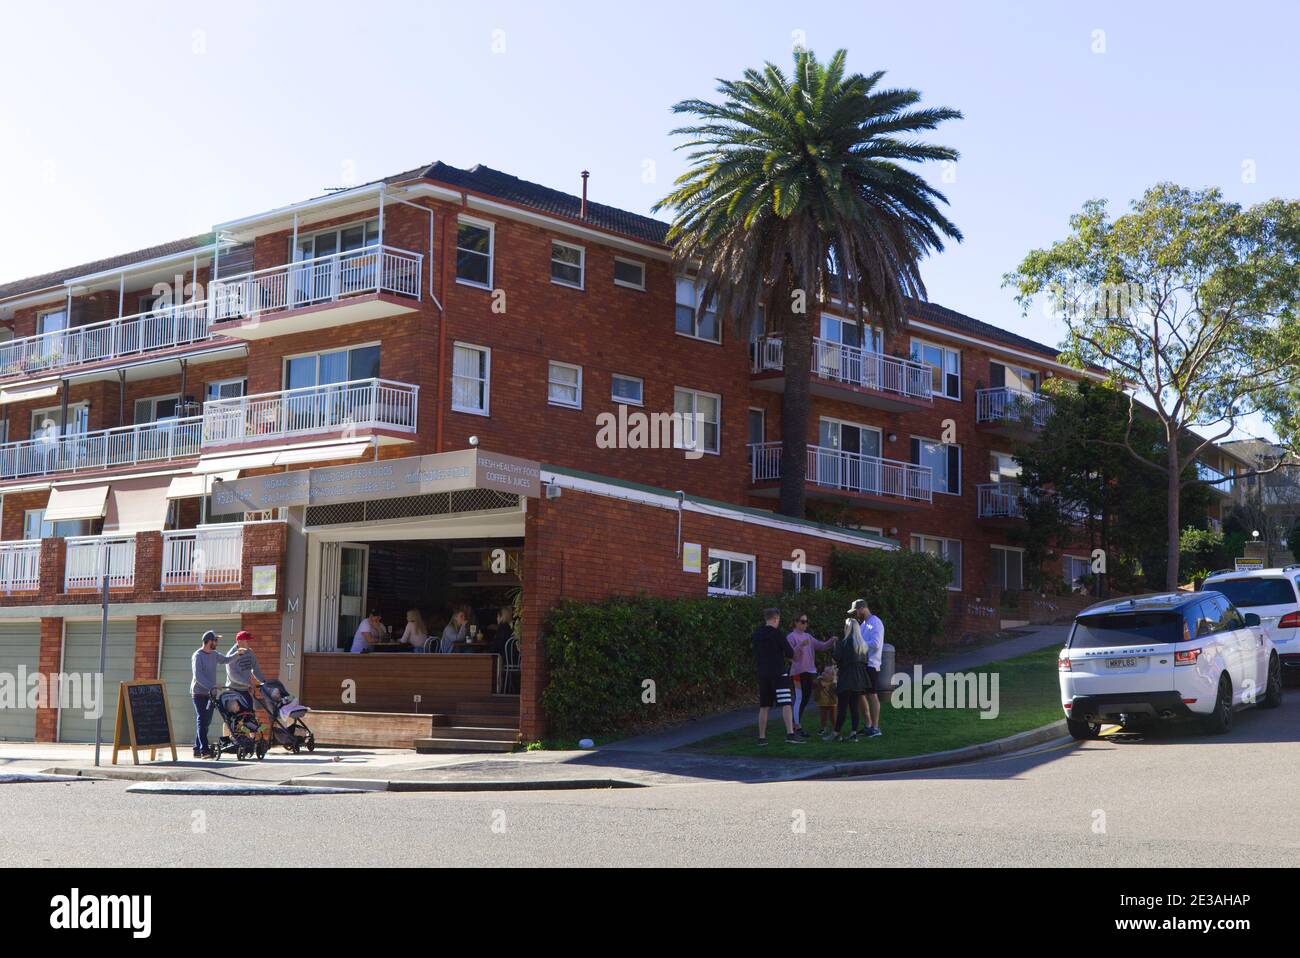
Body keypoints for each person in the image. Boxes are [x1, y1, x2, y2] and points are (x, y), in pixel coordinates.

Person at [750, 607, 802, 746]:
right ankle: (790, 734)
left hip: (763, 673)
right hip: (779, 673)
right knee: (786, 703)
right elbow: (790, 653)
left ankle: (761, 737)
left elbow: (754, 653)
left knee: (764, 706)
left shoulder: (757, 634)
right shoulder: (778, 634)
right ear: (775, 618)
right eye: (778, 619)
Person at [190, 630, 245, 759]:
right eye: (215, 640)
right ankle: (204, 750)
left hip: (211, 694)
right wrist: (212, 686)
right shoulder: (197, 655)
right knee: (202, 720)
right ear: (209, 641)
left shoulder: (214, 654)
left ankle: (197, 749)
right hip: (198, 693)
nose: (217, 643)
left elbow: (226, 660)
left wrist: (237, 654)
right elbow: (198, 676)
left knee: (206, 722)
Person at [787, 613, 833, 737]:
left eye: (806, 621)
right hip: (797, 672)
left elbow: (822, 646)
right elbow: (791, 655)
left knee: (806, 698)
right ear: (795, 622)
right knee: (799, 698)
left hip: (810, 671)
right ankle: (796, 726)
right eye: (802, 621)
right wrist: (800, 645)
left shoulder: (808, 636)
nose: (805, 624)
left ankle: (795, 723)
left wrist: (831, 640)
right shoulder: (791, 637)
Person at [831, 600, 871, 741]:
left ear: (847, 628)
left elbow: (836, 658)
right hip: (859, 679)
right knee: (854, 707)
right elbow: (865, 661)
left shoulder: (844, 643)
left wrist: (835, 646)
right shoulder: (863, 645)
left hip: (846, 677)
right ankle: (854, 733)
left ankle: (836, 733)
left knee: (842, 707)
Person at [857, 601, 885, 738]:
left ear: (863, 608)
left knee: (872, 694)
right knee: (861, 694)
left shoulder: (876, 622)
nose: (856, 613)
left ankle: (876, 727)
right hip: (862, 664)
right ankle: (868, 725)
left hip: (872, 664)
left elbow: (876, 643)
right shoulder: (863, 624)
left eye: (856, 610)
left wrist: (859, 645)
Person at [225, 630, 267, 711]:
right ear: (239, 641)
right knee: (237, 716)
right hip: (234, 690)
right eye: (246, 641)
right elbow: (233, 676)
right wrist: (248, 683)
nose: (248, 643)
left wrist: (264, 682)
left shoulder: (250, 653)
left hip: (246, 689)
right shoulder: (231, 655)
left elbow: (256, 670)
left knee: (250, 713)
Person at [813, 662, 839, 736]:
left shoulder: (833, 683)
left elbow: (836, 690)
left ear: (832, 676)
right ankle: (823, 728)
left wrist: (834, 681)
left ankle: (835, 728)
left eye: (827, 673)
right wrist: (817, 679)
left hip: (832, 703)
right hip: (822, 702)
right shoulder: (819, 681)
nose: (824, 673)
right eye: (824, 671)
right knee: (823, 717)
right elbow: (813, 684)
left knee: (833, 717)